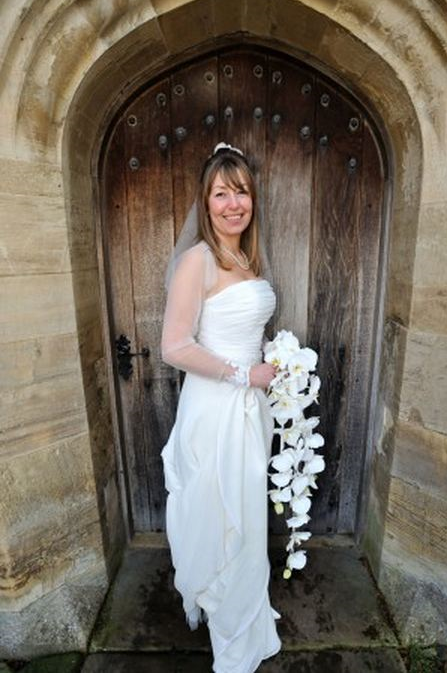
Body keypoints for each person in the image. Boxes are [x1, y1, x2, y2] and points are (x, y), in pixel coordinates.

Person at [160, 142, 282, 672]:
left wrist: (274, 363)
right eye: (221, 194)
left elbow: (245, 332)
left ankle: (248, 615)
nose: (234, 204)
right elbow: (174, 347)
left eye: (242, 193)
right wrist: (243, 375)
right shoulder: (199, 261)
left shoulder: (247, 260)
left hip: (250, 410)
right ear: (205, 202)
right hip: (216, 410)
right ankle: (229, 627)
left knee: (248, 516)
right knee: (221, 515)